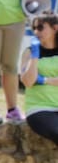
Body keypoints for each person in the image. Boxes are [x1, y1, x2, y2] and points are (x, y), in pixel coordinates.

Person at [20, 10, 58, 144]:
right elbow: (28, 81)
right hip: (40, 109)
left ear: (55, 28)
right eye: (34, 28)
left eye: (41, 27)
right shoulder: (29, 52)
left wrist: (42, 80)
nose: (36, 32)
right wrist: (35, 56)